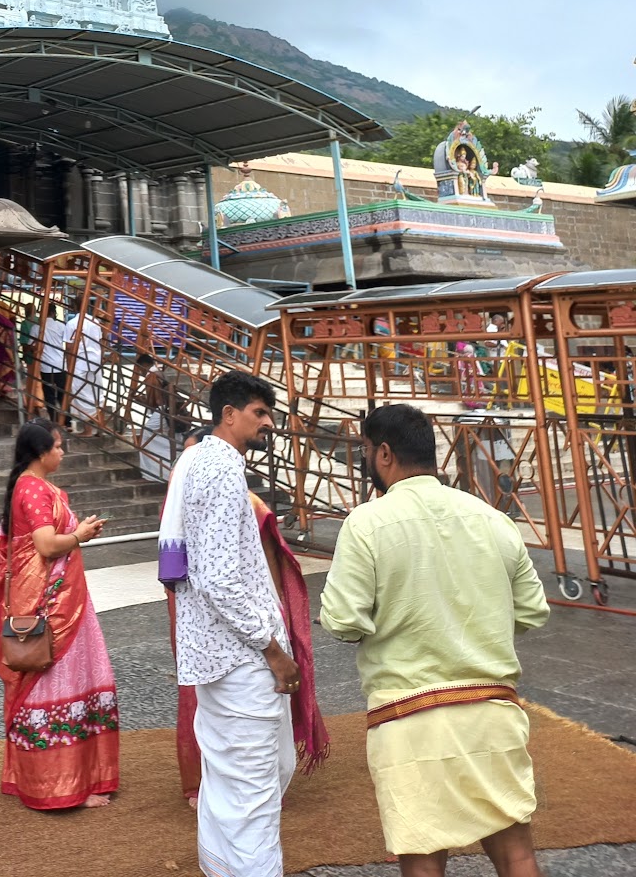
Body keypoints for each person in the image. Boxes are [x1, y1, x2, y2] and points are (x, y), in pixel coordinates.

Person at [320, 404, 550, 877]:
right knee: (516, 853)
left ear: (383, 453)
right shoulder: (492, 519)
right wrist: (479, 628)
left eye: (365, 450)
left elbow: (343, 621)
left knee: (423, 859)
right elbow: (531, 612)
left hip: (409, 718)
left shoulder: (366, 523)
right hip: (492, 712)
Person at [167, 372, 299, 877]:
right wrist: (271, 648)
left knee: (236, 774)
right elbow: (218, 580)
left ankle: (223, 867)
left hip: (212, 650)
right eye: (259, 413)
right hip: (242, 657)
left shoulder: (196, 459)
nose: (267, 423)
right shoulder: (220, 469)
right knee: (254, 787)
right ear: (229, 414)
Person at [163, 425, 328, 815]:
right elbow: (226, 579)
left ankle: (210, 803)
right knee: (252, 781)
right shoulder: (224, 482)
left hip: (207, 626)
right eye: (259, 412)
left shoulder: (190, 485)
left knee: (222, 741)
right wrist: (270, 636)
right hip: (239, 634)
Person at [0, 418, 118, 810]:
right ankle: (58, 784)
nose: (62, 453)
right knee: (57, 680)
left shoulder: (29, 485)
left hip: (61, 597)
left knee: (69, 679)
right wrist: (80, 535)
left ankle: (67, 778)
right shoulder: (34, 488)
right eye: (58, 447)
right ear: (42, 452)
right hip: (52, 605)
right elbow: (45, 545)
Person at [64, 303, 104, 434]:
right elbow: (101, 342)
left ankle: (88, 429)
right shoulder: (95, 322)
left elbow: (69, 348)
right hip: (95, 361)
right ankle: (100, 427)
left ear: (74, 307)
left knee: (81, 394)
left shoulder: (71, 323)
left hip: (80, 362)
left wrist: (69, 367)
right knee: (96, 393)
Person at [39, 302, 67, 425]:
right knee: (63, 394)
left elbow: (31, 345)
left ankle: (54, 419)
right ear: (53, 313)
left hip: (46, 366)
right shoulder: (61, 326)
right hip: (60, 364)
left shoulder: (37, 327)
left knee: (49, 395)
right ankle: (67, 422)